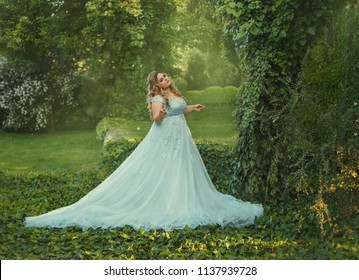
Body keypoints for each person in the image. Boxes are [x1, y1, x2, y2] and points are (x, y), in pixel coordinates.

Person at [25, 71, 263, 231]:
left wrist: (191, 107)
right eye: (161, 78)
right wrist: (158, 112)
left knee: (180, 167)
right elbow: (158, 120)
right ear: (156, 84)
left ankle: (181, 198)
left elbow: (177, 111)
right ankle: (171, 204)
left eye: (166, 76)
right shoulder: (157, 98)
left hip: (181, 135)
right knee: (165, 168)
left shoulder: (173, 94)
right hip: (166, 137)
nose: (166, 78)